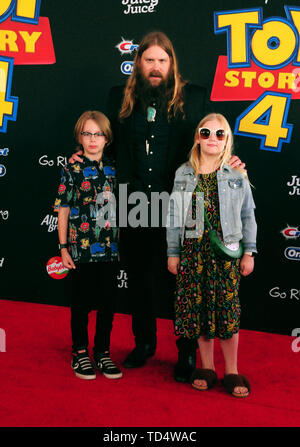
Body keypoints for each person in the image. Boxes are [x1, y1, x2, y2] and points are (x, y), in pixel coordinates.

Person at [71, 31, 244, 382]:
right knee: (139, 280)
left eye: (161, 61)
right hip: (134, 203)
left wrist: (231, 161)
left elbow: (211, 137)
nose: (155, 67)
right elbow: (109, 144)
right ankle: (144, 344)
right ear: (138, 64)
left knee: (182, 282)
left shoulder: (193, 98)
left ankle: (186, 353)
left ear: (171, 64)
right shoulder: (119, 97)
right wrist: (86, 156)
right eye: (149, 60)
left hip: (180, 203)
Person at [167, 113, 257, 397]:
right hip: (193, 253)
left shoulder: (236, 174)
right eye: (206, 132)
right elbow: (173, 216)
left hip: (226, 254)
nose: (212, 139)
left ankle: (231, 369)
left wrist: (250, 252)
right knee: (200, 311)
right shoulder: (183, 173)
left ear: (227, 139)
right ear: (197, 137)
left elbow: (248, 216)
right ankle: (206, 367)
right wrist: (173, 252)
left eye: (220, 134)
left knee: (227, 312)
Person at [55, 110, 122, 380]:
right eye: (87, 133)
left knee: (108, 303)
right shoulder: (72, 167)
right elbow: (63, 208)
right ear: (79, 136)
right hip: (79, 247)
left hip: (111, 247)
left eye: (98, 134)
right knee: (80, 303)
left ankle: (103, 352)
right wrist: (62, 246)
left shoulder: (116, 166)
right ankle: (80, 351)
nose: (92, 139)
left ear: (107, 138)